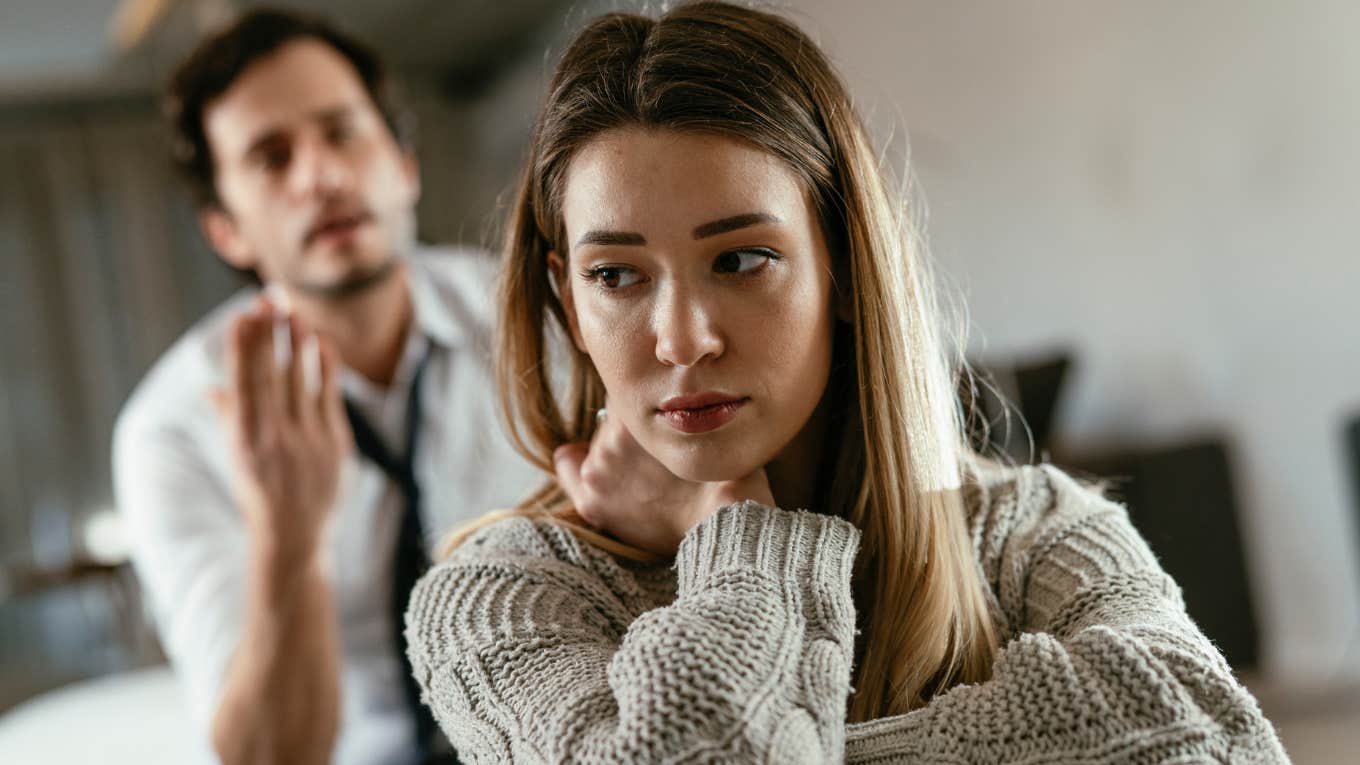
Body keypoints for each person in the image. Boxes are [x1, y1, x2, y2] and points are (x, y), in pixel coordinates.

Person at [391, 2, 1293, 762]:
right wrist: (745, 538)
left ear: (847, 270)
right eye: (617, 275)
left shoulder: (1034, 533)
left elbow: (1216, 741)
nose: (681, 339)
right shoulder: (497, 598)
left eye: (742, 258)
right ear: (566, 299)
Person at [112, 9, 536, 765]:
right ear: (227, 231)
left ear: (403, 164)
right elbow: (270, 756)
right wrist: (288, 538)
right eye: (271, 157)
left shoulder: (538, 319)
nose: (323, 176)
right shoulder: (169, 432)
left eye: (343, 132)